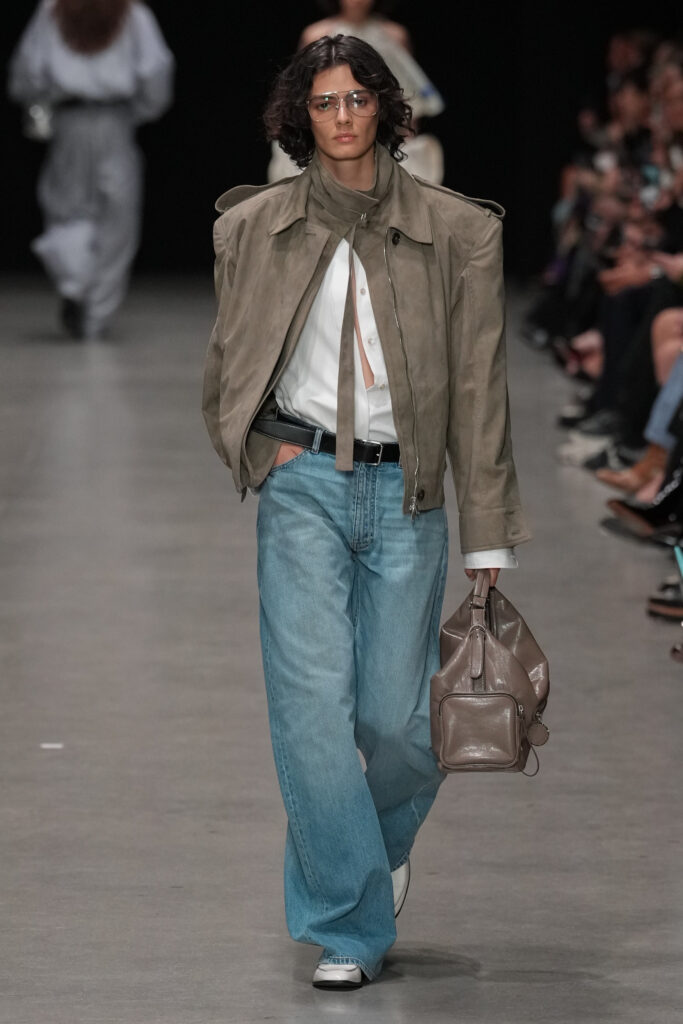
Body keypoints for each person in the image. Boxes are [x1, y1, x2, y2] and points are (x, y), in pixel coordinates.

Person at [202, 35, 530, 989]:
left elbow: (479, 388)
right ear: (298, 118)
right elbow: (229, 355)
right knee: (310, 711)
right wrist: (253, 446)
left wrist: (489, 530)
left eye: (356, 99)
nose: (341, 117)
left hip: (406, 489)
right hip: (303, 481)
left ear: (384, 107)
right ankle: (349, 925)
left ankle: (368, 853)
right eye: (323, 103)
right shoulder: (252, 226)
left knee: (399, 725)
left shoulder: (456, 230)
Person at [8, 0, 174, 339]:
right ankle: (93, 307)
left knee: (71, 208)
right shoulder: (131, 14)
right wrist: (142, 110)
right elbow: (155, 70)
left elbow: (29, 68)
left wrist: (36, 100)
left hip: (75, 119)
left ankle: (78, 287)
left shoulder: (55, 10)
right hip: (112, 119)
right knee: (114, 214)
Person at [267, 0, 444, 184]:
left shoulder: (394, 35)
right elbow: (301, 90)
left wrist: (406, 135)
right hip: (326, 135)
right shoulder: (316, 34)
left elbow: (406, 90)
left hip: (379, 129)